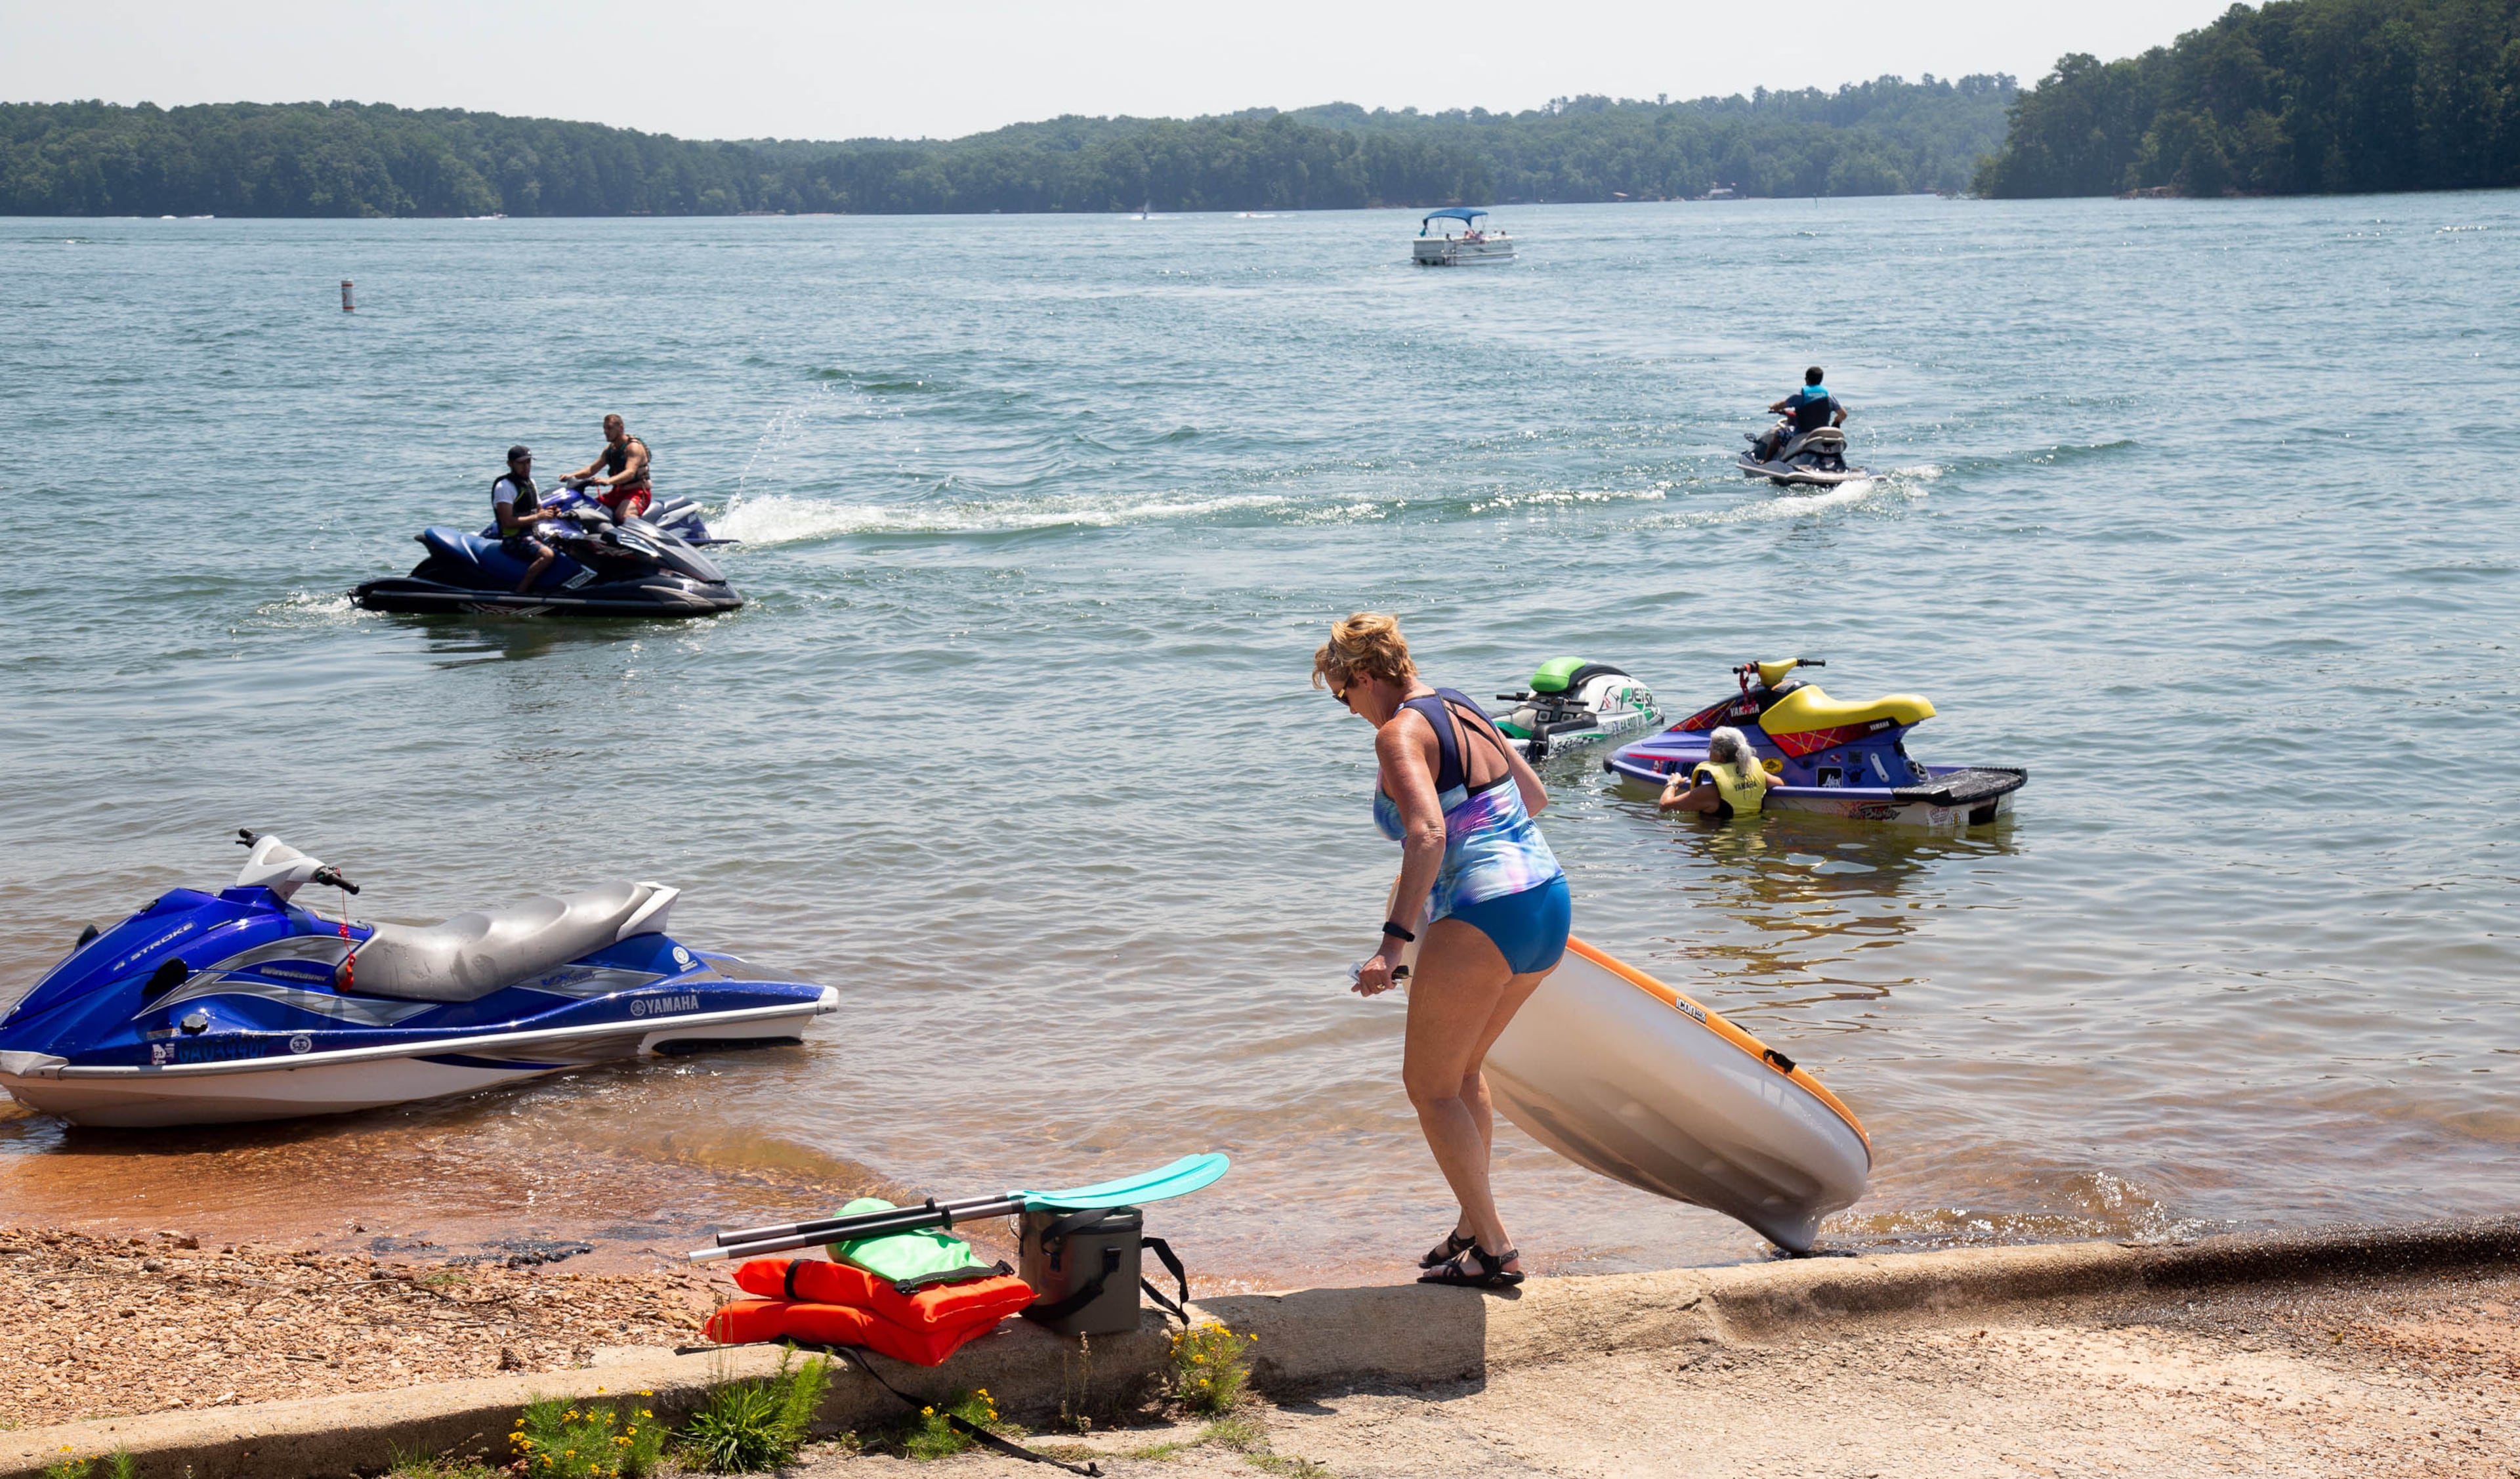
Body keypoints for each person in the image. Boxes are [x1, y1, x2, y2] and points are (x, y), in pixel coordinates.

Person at [1316, 612, 1570, 1290]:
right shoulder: (1460, 706)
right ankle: (1471, 1225)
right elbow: (1535, 797)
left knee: (1428, 1086)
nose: (1350, 711)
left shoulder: (1401, 731)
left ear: (1364, 676)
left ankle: (1495, 1250)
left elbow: (1426, 835)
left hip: (1482, 914)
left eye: (1344, 697)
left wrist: (1390, 944)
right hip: (1544, 900)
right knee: (1461, 1074)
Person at [1658, 726, 1782, 818]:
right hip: (1753, 842)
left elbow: (1665, 806)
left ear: (1719, 756)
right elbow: (1781, 785)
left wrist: (1673, 784)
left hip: (1720, 846)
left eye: (1710, 749)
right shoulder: (1760, 776)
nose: (1709, 752)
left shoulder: (1710, 792)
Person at [490, 444, 558, 595]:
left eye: (528, 462)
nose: (526, 467)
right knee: (548, 556)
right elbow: (508, 521)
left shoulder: (530, 483)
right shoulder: (505, 487)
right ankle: (521, 591)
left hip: (532, 533)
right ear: (510, 464)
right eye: (521, 463)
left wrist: (551, 512)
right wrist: (538, 517)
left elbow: (539, 510)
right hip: (514, 538)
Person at [566, 414, 652, 522]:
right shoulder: (610, 449)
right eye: (604, 428)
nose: (606, 432)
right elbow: (591, 470)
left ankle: (645, 537)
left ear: (621, 428)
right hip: (617, 493)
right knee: (589, 509)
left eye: (610, 428)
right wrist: (571, 476)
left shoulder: (633, 447)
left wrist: (608, 481)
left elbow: (630, 472)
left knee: (624, 515)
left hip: (638, 492)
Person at [1756, 366, 1849, 462]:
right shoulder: (1828, 396)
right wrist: (1836, 421)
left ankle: (1766, 462)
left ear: (1806, 379)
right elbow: (1843, 414)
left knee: (1779, 434)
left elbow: (1781, 405)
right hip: (1821, 434)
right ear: (1821, 379)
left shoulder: (1800, 396)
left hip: (1801, 433)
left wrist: (1773, 407)